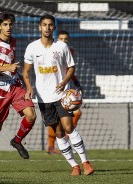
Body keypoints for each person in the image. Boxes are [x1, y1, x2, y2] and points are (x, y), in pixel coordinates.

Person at [22, 14, 94, 176]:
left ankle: (86, 163)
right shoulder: (32, 48)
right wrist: (28, 88)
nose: (47, 28)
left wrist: (64, 82)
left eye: (50, 25)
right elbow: (25, 72)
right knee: (59, 133)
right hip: (43, 98)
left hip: (62, 96)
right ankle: (74, 166)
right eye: (44, 25)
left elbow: (71, 68)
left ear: (53, 27)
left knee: (69, 127)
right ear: (39, 27)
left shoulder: (61, 47)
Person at [0, 12, 36, 172]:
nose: (8, 27)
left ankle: (17, 140)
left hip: (14, 85)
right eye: (5, 24)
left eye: (10, 24)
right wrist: (7, 68)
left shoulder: (13, 41)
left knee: (31, 114)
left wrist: (25, 84)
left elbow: (11, 63)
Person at [46, 30, 82, 154]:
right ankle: (54, 144)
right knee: (57, 119)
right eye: (61, 38)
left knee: (76, 113)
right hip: (55, 88)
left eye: (66, 39)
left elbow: (69, 70)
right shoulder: (51, 50)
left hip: (66, 87)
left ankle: (64, 137)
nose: (64, 41)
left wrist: (76, 83)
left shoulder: (69, 51)